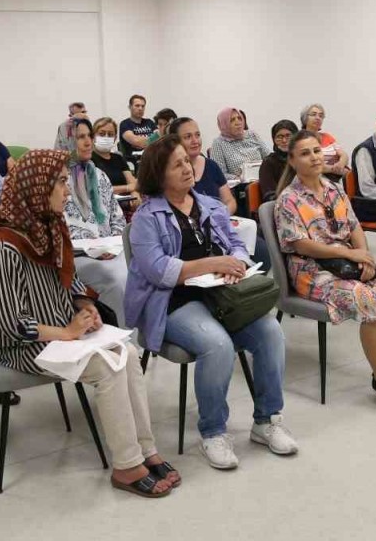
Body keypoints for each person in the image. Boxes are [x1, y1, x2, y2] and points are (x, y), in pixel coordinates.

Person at [0, 149, 178, 498]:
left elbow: (71, 283)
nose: (66, 191)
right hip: (26, 344)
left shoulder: (51, 226)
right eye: (59, 183)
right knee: (107, 367)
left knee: (128, 353)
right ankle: (126, 464)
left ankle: (146, 449)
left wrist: (86, 305)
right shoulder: (5, 248)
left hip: (63, 331)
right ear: (36, 188)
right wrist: (68, 332)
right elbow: (10, 323)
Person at [125, 136, 296, 470]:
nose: (187, 168)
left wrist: (236, 265)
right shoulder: (146, 218)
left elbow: (237, 245)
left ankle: (266, 421)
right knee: (217, 344)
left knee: (271, 332)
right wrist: (213, 265)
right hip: (172, 301)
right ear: (159, 175)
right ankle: (214, 431)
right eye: (177, 164)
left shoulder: (210, 205)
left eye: (187, 161)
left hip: (222, 295)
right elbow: (159, 271)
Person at [276, 131, 376, 410]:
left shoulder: (334, 188)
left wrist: (366, 259)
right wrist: (351, 254)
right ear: (292, 160)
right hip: (311, 270)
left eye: (316, 151)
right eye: (305, 153)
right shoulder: (289, 199)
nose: (314, 157)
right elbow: (302, 245)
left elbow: (354, 226)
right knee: (370, 302)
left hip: (347, 263)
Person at [170, 116, 270, 270]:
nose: (195, 140)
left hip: (220, 223)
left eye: (197, 135)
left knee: (261, 251)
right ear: (175, 142)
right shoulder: (173, 176)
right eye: (188, 137)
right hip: (194, 232)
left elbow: (230, 201)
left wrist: (219, 216)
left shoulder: (211, 166)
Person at [63, 119, 129, 323]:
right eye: (80, 137)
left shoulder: (99, 176)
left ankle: (141, 334)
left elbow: (116, 216)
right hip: (77, 255)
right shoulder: (57, 179)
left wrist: (115, 243)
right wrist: (93, 250)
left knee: (141, 269)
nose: (88, 142)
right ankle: (120, 336)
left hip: (110, 250)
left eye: (89, 136)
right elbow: (58, 229)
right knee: (116, 279)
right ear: (67, 142)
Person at [210, 107, 271, 180]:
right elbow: (218, 173)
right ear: (224, 124)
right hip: (239, 187)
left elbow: (269, 157)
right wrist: (238, 178)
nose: (238, 122)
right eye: (232, 120)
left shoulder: (252, 135)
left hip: (263, 179)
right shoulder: (218, 143)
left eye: (239, 118)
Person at [91, 116, 139, 196]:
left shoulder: (118, 158)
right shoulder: (89, 160)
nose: (106, 137)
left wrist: (135, 195)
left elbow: (132, 183)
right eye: (102, 134)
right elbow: (96, 189)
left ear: (115, 138)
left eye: (110, 134)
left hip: (126, 201)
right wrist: (126, 188)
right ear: (93, 136)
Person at [299, 103, 349, 179]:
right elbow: (311, 164)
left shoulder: (327, 136)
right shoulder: (301, 139)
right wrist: (334, 169)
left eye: (321, 116)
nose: (318, 118)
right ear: (305, 118)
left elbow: (344, 155)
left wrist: (341, 164)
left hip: (337, 177)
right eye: (314, 114)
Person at [258, 120, 298, 202]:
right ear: (274, 140)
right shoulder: (268, 163)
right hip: (283, 205)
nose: (284, 140)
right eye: (279, 137)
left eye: (288, 136)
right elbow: (270, 195)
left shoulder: (301, 158)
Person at [119, 94, 156, 160]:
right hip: (134, 160)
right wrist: (151, 140)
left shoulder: (150, 122)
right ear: (130, 107)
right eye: (137, 106)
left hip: (151, 158)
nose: (140, 108)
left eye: (143, 106)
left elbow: (159, 140)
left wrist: (142, 141)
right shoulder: (125, 124)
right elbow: (136, 141)